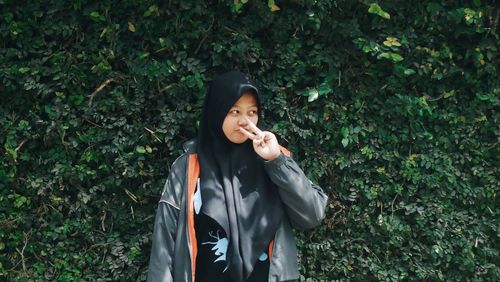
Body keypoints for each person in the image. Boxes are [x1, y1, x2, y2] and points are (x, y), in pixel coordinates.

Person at [147, 70, 328, 282]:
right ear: (217, 112)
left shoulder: (274, 159)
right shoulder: (187, 167)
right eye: (234, 112)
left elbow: (312, 214)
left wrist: (276, 161)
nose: (245, 121)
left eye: (252, 112)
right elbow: (164, 245)